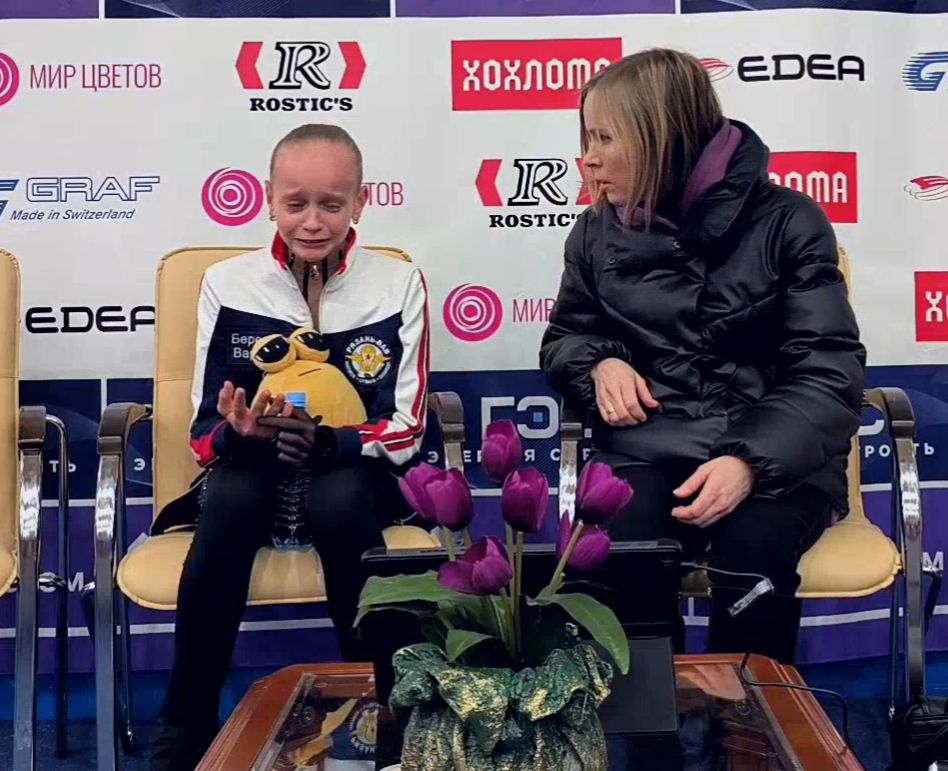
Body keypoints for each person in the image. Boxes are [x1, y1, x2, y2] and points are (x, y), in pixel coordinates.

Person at [540, 49, 866, 665]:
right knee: (622, 554)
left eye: (605, 138)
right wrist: (599, 363)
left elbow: (828, 371)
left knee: (752, 558)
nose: (587, 158)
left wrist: (749, 461)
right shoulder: (593, 232)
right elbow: (565, 339)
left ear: (661, 137)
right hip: (648, 449)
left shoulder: (789, 222)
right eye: (587, 138)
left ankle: (749, 719)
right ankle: (648, 721)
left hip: (775, 461)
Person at [149, 123, 430, 770]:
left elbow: (407, 426)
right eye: (295, 203)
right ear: (268, 199)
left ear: (361, 202)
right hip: (253, 469)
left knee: (340, 499)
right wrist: (236, 432)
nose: (312, 221)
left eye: (331, 204)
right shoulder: (227, 282)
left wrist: (331, 441)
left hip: (351, 469)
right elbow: (203, 431)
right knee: (231, 496)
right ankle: (184, 727)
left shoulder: (399, 282)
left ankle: (390, 717)